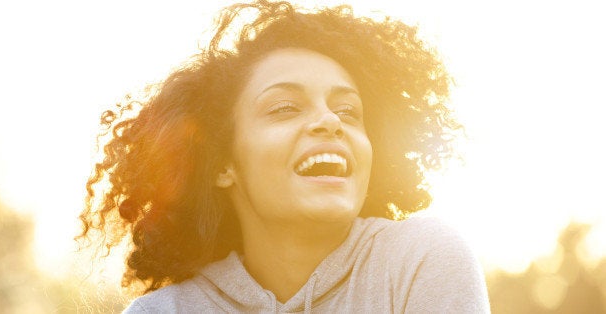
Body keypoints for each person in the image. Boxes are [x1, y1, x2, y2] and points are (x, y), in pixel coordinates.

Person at [78, 0, 490, 312]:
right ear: (223, 163)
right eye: (285, 108)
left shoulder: (422, 260)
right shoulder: (162, 312)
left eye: (348, 111)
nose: (330, 121)